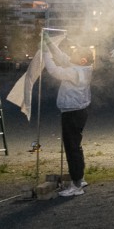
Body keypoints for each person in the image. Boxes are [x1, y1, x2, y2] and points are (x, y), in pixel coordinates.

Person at [43, 32, 94, 197]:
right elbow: (63, 58)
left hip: (72, 113)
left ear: (82, 60)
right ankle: (80, 178)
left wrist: (45, 53)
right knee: (76, 147)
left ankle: (76, 185)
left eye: (75, 53)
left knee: (72, 149)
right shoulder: (81, 67)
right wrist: (49, 43)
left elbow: (54, 70)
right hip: (78, 111)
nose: (72, 53)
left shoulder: (75, 72)